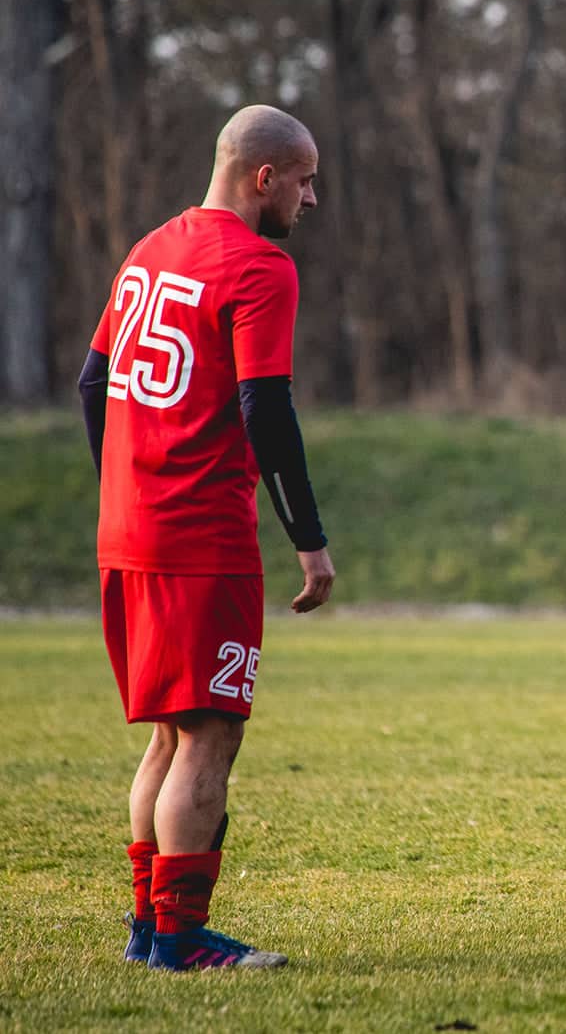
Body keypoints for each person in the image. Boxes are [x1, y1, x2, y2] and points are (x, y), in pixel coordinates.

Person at [79, 105, 336, 970]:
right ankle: (182, 939)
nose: (311, 197)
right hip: (199, 534)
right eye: (302, 179)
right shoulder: (260, 266)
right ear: (262, 177)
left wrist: (120, 481)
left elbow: (94, 381)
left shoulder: (151, 247)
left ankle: (151, 928)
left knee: (168, 732)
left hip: (131, 527)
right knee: (209, 734)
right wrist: (308, 536)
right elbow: (268, 404)